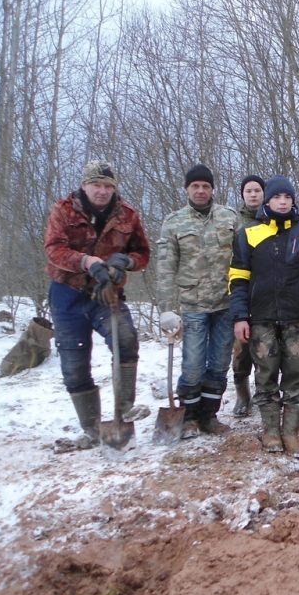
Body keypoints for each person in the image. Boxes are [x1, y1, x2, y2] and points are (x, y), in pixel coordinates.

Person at [44, 160, 151, 451]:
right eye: (96, 185)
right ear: (84, 185)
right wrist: (87, 262)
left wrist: (124, 262)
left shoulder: (127, 214)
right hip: (68, 292)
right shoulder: (64, 210)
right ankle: (92, 429)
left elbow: (142, 252)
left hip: (107, 293)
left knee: (125, 339)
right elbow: (54, 249)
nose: (102, 191)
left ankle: (125, 408)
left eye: (108, 186)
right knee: (75, 366)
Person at [229, 175, 299, 457]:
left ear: (293, 201)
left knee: (295, 376)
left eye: (287, 198)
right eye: (277, 197)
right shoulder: (248, 234)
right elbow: (238, 279)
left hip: (297, 318)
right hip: (260, 319)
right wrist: (239, 317)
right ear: (267, 201)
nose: (282, 202)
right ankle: (271, 430)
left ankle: (291, 432)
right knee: (266, 375)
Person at [156, 164, 239, 437]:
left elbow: (243, 262)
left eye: (205, 186)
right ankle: (189, 416)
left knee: (218, 363)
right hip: (192, 305)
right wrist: (166, 308)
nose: (201, 191)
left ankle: (209, 415)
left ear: (212, 189)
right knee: (192, 364)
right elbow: (166, 266)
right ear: (187, 189)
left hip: (225, 304)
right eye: (195, 186)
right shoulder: (175, 222)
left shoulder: (229, 218)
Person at [230, 174, 265, 416]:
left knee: (267, 349)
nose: (253, 194)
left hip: (266, 293)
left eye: (257, 190)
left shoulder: (273, 217)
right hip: (241, 290)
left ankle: (267, 393)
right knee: (240, 350)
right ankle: (242, 395)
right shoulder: (232, 221)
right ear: (242, 194)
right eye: (248, 191)